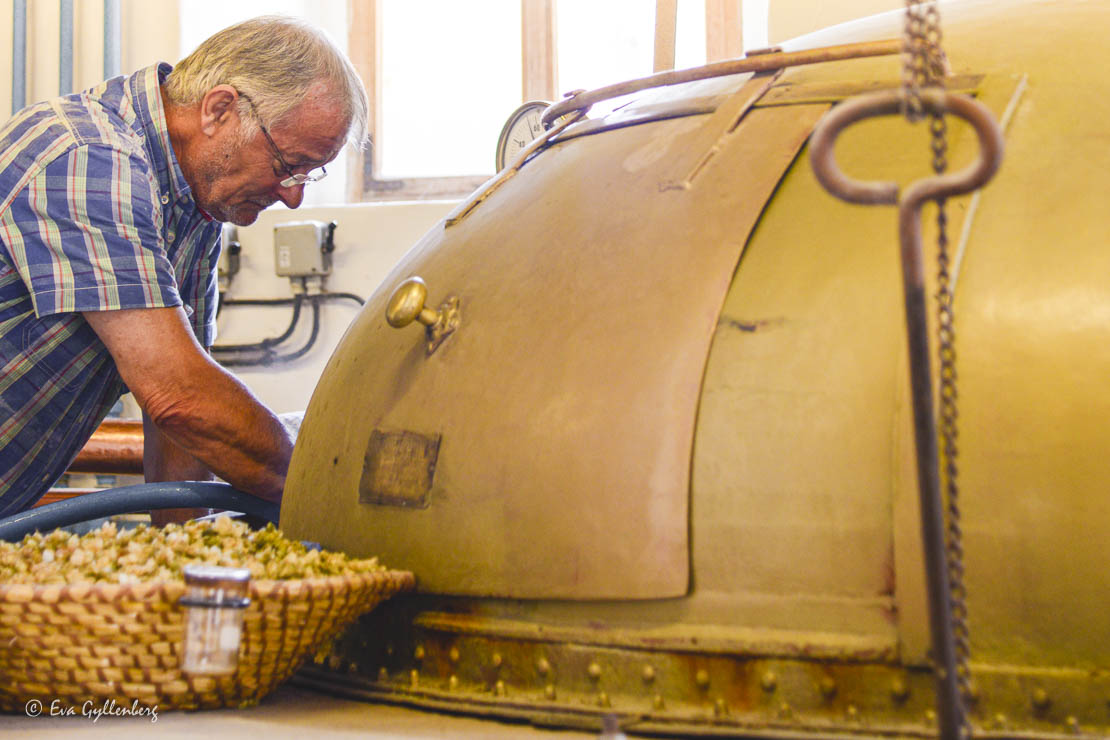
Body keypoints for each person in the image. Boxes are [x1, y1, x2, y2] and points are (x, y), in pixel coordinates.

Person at [0, 16, 368, 517]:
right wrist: (337, 498)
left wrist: (187, 561)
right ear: (220, 110)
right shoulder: (89, 157)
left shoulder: (193, 208)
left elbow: (180, 421)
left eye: (308, 174)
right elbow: (180, 394)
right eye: (287, 165)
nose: (294, 196)